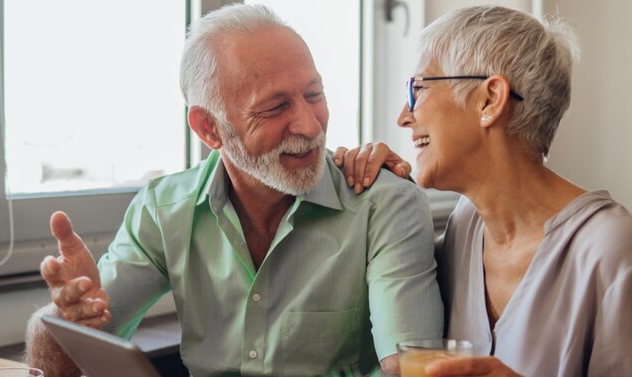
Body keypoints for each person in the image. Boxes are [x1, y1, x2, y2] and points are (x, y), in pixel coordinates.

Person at [24, 4, 443, 377]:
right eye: (276, 107)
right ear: (209, 129)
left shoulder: (383, 203)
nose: (311, 126)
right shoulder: (163, 209)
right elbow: (59, 363)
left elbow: (411, 369)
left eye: (314, 94)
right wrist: (64, 318)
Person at [335, 5, 632, 377]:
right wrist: (381, 188)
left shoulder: (613, 251)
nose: (403, 115)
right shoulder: (464, 227)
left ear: (490, 99)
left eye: (418, 88)